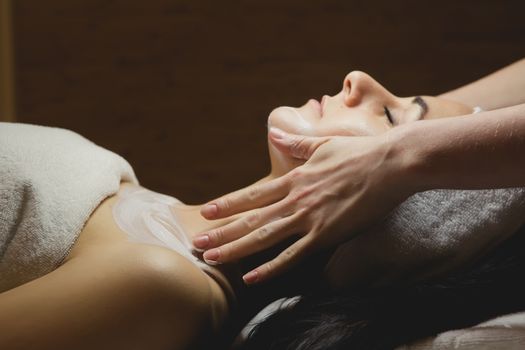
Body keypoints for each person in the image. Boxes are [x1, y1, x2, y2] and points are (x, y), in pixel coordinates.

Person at [0, 66, 522, 350]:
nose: (358, 79)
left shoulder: (163, 284)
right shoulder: (159, 219)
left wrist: (407, 155)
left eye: (389, 116)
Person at [193, 58, 525, 284]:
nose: (358, 78)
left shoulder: (175, 286)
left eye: (390, 117)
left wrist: (399, 154)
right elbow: (466, 122)